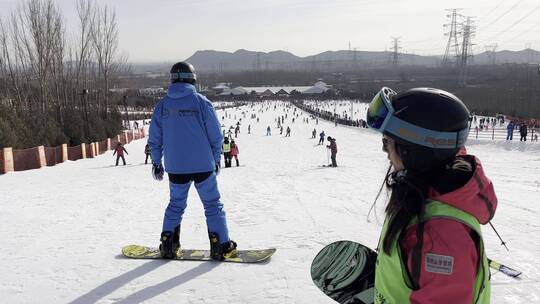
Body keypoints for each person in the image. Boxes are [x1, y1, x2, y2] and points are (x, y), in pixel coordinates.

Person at [366, 87, 494, 303]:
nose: (384, 150)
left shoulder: (442, 234)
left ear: (413, 150)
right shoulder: (422, 193)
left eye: (387, 142)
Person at [148, 61, 236, 260]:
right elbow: (216, 136)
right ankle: (220, 245)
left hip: (176, 167)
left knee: (175, 205)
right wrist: (216, 160)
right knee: (212, 205)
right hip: (203, 165)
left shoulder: (162, 105)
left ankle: (168, 244)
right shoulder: (201, 102)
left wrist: (156, 162)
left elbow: (155, 138)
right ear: (193, 79)